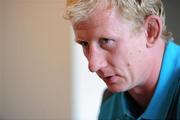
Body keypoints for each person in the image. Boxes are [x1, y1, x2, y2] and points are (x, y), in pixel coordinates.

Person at [64, 0, 180, 119]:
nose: (93, 65)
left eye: (106, 40)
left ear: (151, 31)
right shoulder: (110, 101)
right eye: (84, 43)